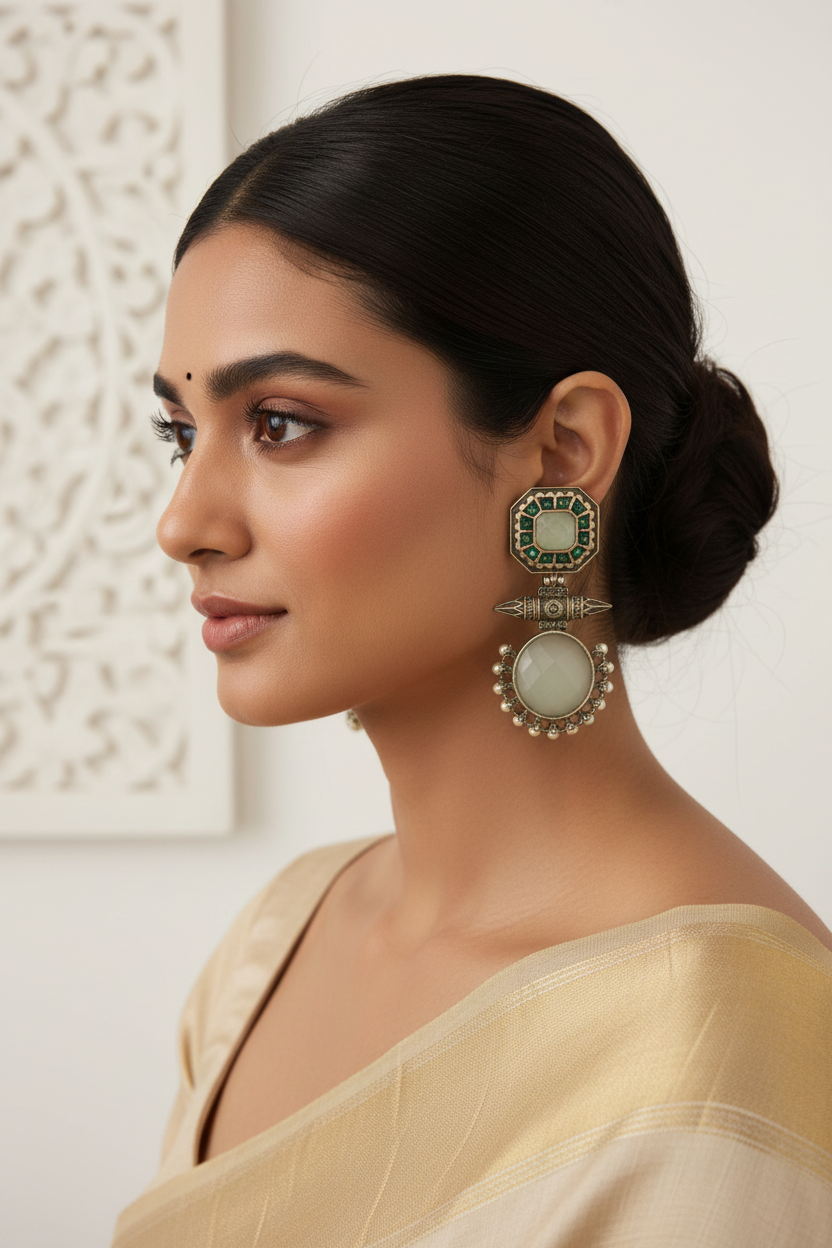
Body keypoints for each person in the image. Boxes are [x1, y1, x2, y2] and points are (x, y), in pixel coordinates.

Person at [111, 75, 832, 1247]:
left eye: (281, 423)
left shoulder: (720, 1043)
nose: (184, 519)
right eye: (180, 433)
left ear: (562, 449)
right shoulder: (276, 941)